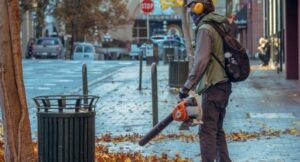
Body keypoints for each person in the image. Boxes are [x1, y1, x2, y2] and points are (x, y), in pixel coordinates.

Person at [179, 0, 232, 161]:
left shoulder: (205, 29)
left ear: (199, 7)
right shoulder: (219, 24)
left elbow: (200, 61)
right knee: (217, 129)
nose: (191, 14)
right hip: (224, 84)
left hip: (213, 85)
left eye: (191, 9)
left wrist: (187, 86)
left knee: (207, 131)